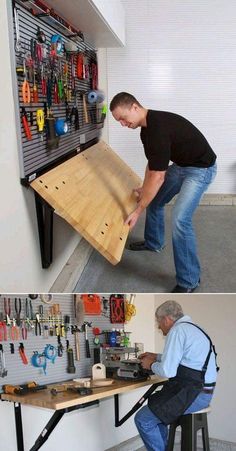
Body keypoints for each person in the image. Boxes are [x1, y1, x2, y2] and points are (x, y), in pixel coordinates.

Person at [110, 93, 217, 292]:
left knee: (179, 219)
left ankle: (189, 281)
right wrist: (145, 188)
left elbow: (158, 176)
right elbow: (153, 165)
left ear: (135, 107)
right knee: (154, 199)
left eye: (123, 118)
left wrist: (137, 211)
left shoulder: (158, 127)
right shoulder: (145, 130)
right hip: (183, 165)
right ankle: (154, 242)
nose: (123, 124)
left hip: (201, 169)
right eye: (119, 122)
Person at [135, 300, 219, 451]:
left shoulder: (177, 331)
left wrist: (150, 365)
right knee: (156, 410)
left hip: (194, 394)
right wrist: (156, 356)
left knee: (143, 419)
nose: (159, 327)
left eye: (158, 322)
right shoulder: (194, 328)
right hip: (202, 391)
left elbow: (168, 371)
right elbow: (184, 360)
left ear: (166, 319)